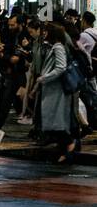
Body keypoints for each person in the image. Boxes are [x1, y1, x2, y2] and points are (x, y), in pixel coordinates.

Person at [37, 23, 81, 162]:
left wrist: (45, 77)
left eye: (46, 32)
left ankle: (70, 143)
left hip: (56, 90)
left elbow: (60, 67)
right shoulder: (55, 47)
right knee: (55, 121)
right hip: (52, 90)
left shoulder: (58, 47)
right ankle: (65, 150)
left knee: (56, 122)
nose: (44, 34)